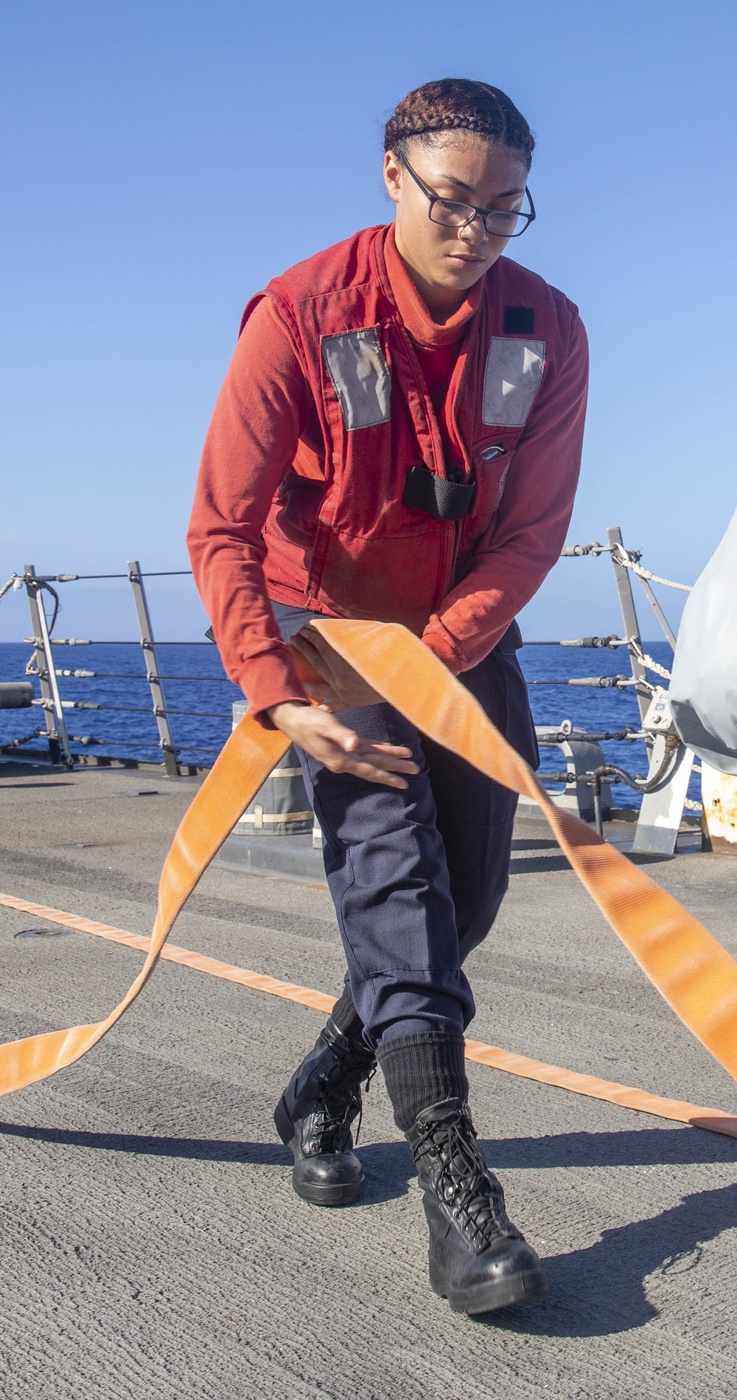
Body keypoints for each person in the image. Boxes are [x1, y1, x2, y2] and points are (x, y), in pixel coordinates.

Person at [188, 77, 588, 1315]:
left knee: (465, 897)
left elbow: (531, 534)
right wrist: (274, 689)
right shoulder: (300, 314)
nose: (475, 231)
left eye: (506, 210)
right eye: (453, 201)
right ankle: (455, 1184)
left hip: (460, 638)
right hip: (330, 641)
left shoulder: (549, 326)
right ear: (391, 176)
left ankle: (322, 1080)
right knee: (394, 886)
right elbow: (222, 525)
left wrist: (440, 654)